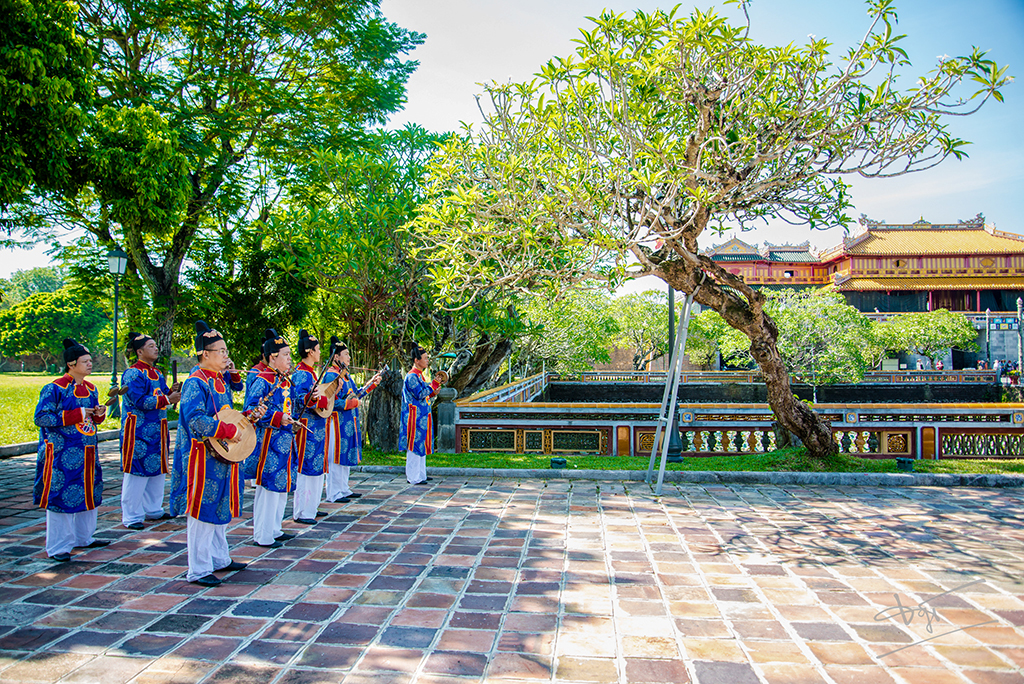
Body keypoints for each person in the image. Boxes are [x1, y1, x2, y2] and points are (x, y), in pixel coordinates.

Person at [176, 320, 254, 586]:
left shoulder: (218, 380)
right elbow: (195, 420)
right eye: (220, 351)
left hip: (220, 454)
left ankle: (219, 558)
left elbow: (226, 414)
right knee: (201, 511)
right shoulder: (195, 383)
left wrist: (242, 420)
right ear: (204, 354)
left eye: (225, 350)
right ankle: (197, 569)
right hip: (200, 458)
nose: (225, 355)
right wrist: (226, 429)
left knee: (219, 506)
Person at [33, 339, 111, 562]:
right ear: (71, 363)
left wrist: (98, 413)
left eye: (90, 361)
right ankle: (58, 546)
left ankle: (84, 537)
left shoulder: (91, 388)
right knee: (61, 495)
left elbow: (93, 421)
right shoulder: (54, 388)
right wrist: (78, 413)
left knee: (89, 491)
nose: (90, 364)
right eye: (85, 361)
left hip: (87, 451)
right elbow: (42, 417)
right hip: (61, 454)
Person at [120, 332, 181, 529]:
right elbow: (139, 401)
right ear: (139, 351)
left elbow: (162, 395)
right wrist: (167, 399)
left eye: (156, 345)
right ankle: (131, 516)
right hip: (138, 430)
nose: (156, 348)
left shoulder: (156, 373)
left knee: (157, 470)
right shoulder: (133, 374)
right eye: (151, 346)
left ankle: (153, 509)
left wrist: (171, 392)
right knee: (136, 472)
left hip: (157, 430)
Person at [245, 329, 297, 547]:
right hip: (268, 442)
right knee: (267, 488)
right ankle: (263, 535)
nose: (289, 359)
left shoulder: (284, 379)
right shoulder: (263, 380)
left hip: (284, 441)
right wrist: (277, 417)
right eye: (285, 354)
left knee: (280, 486)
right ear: (272, 356)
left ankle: (275, 528)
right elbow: (251, 409)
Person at [328, 340, 383, 502]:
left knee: (345, 456)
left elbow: (356, 395)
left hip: (348, 421)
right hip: (337, 422)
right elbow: (329, 402)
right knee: (336, 457)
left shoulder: (345, 375)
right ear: (336, 357)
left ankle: (343, 488)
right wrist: (349, 404)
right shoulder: (331, 375)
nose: (350, 358)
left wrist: (371, 384)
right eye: (346, 355)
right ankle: (334, 492)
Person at [290, 330, 331, 521]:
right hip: (307, 428)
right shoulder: (301, 374)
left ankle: (312, 507)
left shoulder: (310, 373)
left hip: (316, 427)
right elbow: (299, 401)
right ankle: (303, 511)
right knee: (305, 468)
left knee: (315, 467)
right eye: (318, 349)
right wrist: (319, 400)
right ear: (310, 352)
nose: (320, 353)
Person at [399, 345, 448, 485]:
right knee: (414, 446)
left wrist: (433, 391)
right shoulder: (412, 377)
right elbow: (419, 394)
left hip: (422, 416)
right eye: (425, 358)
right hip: (414, 417)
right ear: (416, 360)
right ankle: (413, 477)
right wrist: (433, 385)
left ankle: (421, 475)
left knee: (421, 446)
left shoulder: (419, 376)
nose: (427, 361)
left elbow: (425, 393)